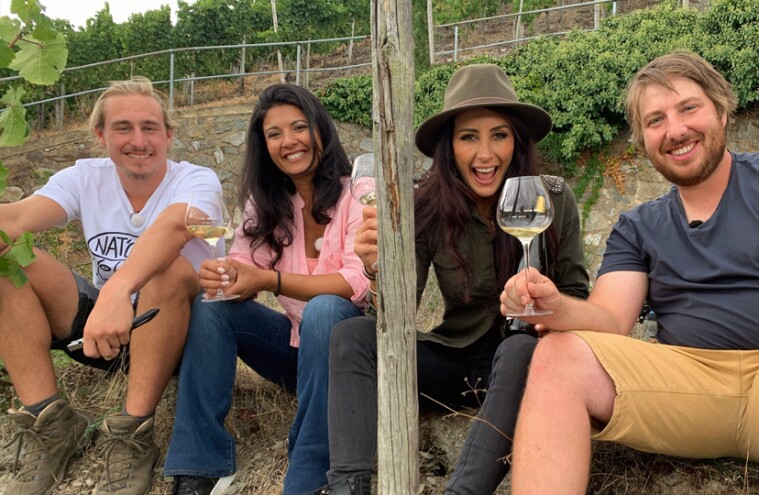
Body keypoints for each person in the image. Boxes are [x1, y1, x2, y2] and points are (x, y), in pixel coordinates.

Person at [505, 52, 759, 494]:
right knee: (556, 354)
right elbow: (610, 321)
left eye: (688, 108)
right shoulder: (638, 226)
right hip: (688, 392)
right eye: (655, 120)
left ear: (721, 110)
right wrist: (557, 308)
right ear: (642, 140)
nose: (675, 130)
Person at [313, 63, 590, 495]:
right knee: (352, 334)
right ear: (449, 147)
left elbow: (578, 297)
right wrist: (376, 269)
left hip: (528, 359)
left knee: (519, 347)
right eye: (469, 137)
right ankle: (348, 486)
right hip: (455, 359)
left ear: (516, 139)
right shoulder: (426, 206)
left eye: (499, 134)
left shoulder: (552, 197)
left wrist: (548, 303)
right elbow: (394, 315)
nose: (485, 153)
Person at [0, 77, 222, 495]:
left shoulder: (197, 180)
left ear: (169, 135)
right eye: (122, 127)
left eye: (149, 127)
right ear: (100, 135)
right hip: (107, 333)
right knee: (9, 261)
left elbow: (178, 225)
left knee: (169, 269)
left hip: (181, 338)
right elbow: (13, 221)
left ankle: (131, 435)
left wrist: (118, 291)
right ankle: (50, 424)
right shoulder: (85, 177)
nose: (138, 140)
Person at [163, 83, 370, 495]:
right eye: (274, 134)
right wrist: (227, 276)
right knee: (213, 308)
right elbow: (243, 262)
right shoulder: (268, 202)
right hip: (295, 354)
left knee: (325, 309)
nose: (289, 142)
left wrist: (269, 280)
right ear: (264, 145)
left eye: (299, 127)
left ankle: (309, 473)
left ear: (321, 132)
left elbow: (355, 284)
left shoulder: (356, 193)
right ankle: (200, 465)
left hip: (350, 358)